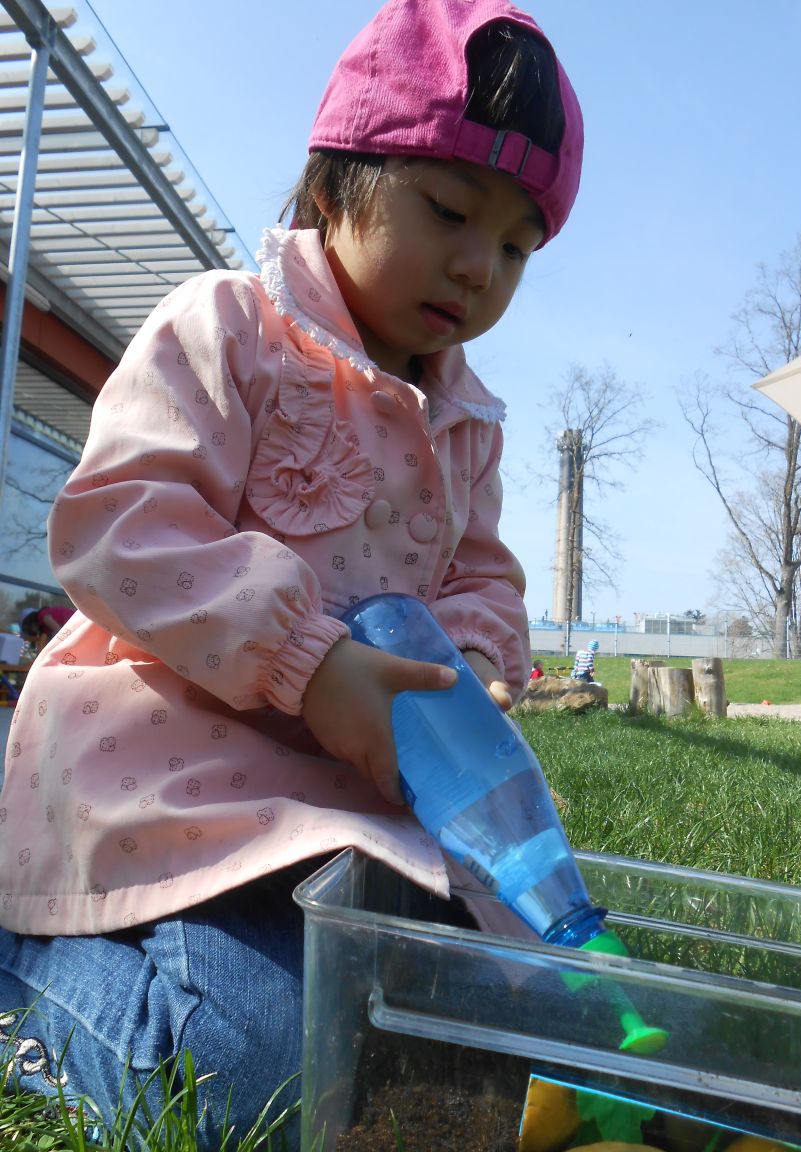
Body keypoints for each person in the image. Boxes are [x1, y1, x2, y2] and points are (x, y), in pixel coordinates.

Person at [0, 2, 584, 1146]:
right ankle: (24, 973)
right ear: (332, 185)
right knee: (260, 1084)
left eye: (517, 245)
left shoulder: (468, 425)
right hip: (184, 799)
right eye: (451, 211)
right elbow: (122, 525)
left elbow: (483, 576)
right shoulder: (230, 330)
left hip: (359, 818)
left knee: (482, 1059)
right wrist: (312, 665)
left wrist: (463, 659)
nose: (478, 266)